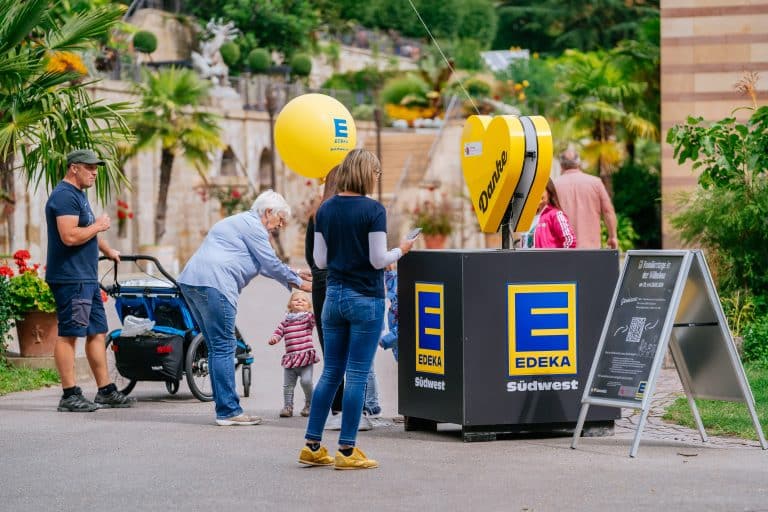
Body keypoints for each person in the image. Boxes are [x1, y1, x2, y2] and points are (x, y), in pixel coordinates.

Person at [298, 149, 416, 470]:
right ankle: (347, 450)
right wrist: (401, 250)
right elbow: (378, 259)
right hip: (365, 297)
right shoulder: (373, 210)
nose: (377, 180)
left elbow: (319, 261)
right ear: (367, 174)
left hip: (333, 297)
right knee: (357, 375)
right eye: (376, 174)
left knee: (331, 372)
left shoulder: (324, 210)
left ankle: (312, 444)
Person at [178, 189, 312, 427]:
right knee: (224, 346)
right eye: (280, 219)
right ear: (268, 212)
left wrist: (294, 275)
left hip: (193, 282)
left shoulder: (241, 223)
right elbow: (270, 263)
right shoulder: (254, 228)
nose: (280, 226)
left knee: (216, 346)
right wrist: (300, 284)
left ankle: (225, 409)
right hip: (215, 285)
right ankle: (229, 411)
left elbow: (263, 265)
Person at [45, 149, 133, 412]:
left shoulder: (78, 196)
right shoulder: (63, 196)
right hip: (71, 278)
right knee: (70, 333)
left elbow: (87, 229)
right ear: (74, 168)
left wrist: (108, 250)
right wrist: (99, 226)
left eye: (96, 168)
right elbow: (70, 236)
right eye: (90, 168)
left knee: (97, 331)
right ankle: (69, 394)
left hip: (86, 277)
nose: (95, 172)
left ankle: (105, 391)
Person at [304, 167, 344, 416]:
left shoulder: (316, 215)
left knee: (331, 349)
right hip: (344, 283)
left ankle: (335, 407)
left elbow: (313, 258)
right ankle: (355, 407)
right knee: (352, 351)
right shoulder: (355, 213)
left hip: (322, 287)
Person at [553, 148, 618, 249]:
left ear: (561, 165)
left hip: (562, 249)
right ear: (579, 163)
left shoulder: (554, 186)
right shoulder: (595, 182)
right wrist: (613, 236)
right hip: (591, 249)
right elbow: (608, 211)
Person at [268, 290, 317, 418]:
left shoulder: (308, 318)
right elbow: (278, 332)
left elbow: (316, 321)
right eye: (296, 300)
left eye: (303, 300)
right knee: (288, 386)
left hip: (305, 358)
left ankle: (309, 404)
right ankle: (288, 407)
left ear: (308, 306)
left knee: (306, 382)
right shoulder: (286, 321)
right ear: (290, 305)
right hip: (291, 359)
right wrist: (274, 338)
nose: (299, 301)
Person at [533, 179, 577, 249]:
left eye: (541, 189)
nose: (536, 193)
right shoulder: (526, 217)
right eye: (533, 189)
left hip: (550, 260)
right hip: (529, 259)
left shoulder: (556, 215)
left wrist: (559, 259)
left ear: (549, 192)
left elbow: (570, 241)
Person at [379, 264, 399, 361]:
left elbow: (402, 331)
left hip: (404, 352)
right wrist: (388, 270)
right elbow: (393, 286)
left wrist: (383, 341)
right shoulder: (396, 298)